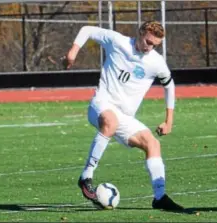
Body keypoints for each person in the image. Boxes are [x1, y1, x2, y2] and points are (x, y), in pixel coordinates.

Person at [65, 21, 184, 211]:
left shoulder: (156, 62)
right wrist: (73, 51)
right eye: (147, 41)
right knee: (110, 122)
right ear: (140, 33)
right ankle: (86, 176)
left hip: (124, 116)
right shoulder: (118, 42)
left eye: (154, 45)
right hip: (101, 104)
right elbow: (87, 30)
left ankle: (159, 197)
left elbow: (169, 86)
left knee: (152, 144)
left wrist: (169, 121)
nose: (149, 47)